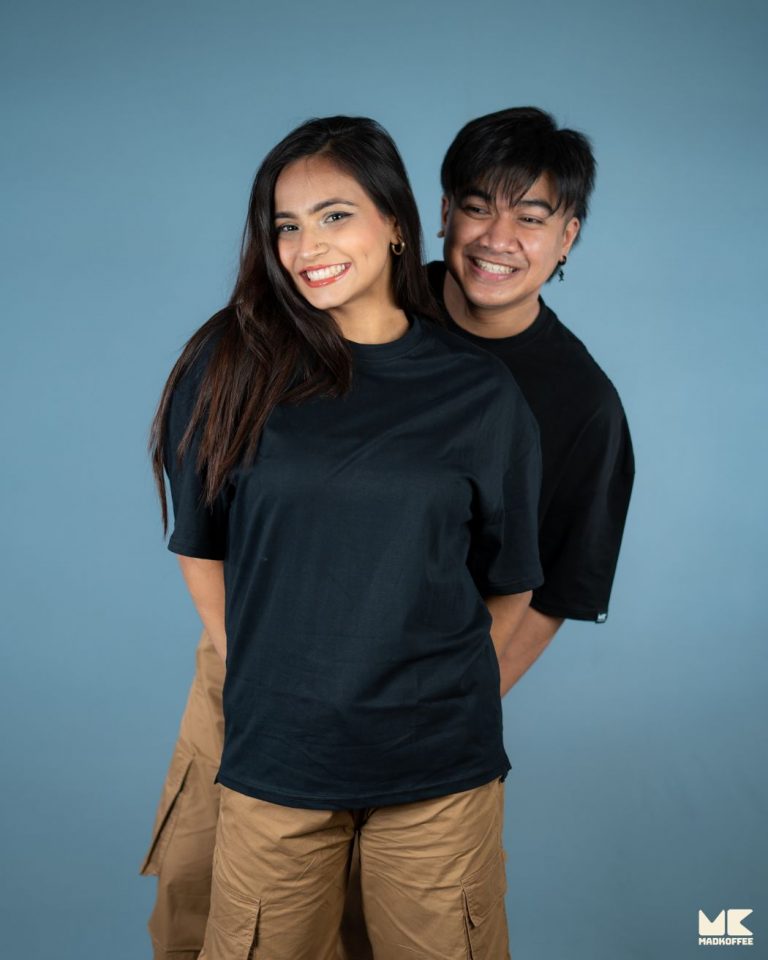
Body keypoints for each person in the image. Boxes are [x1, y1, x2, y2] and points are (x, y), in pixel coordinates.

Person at [140, 106, 635, 959]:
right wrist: (271, 673)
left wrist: (426, 698)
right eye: (476, 207)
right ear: (433, 216)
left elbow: (551, 585)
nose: (497, 238)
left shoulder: (575, 402)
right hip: (259, 665)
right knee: (207, 902)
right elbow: (205, 529)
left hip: (418, 694)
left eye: (531, 217)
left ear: (569, 237)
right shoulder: (345, 292)